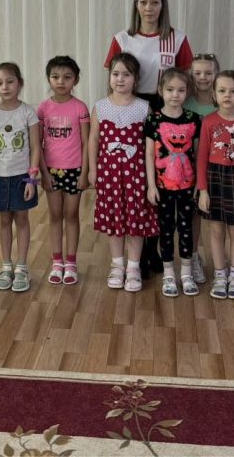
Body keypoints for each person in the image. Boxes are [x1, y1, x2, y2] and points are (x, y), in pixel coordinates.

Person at [105, 0, 193, 277]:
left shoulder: (177, 39)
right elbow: (114, 79)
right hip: (131, 107)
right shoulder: (122, 39)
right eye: (143, 1)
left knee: (159, 179)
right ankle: (135, 254)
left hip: (162, 109)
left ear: (163, 5)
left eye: (155, 2)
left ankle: (154, 249)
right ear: (136, 5)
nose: (149, 8)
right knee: (136, 179)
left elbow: (184, 81)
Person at [88, 53, 157, 293]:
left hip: (136, 174)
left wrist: (150, 179)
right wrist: (93, 169)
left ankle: (134, 267)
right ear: (109, 77)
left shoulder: (144, 107)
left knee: (136, 219)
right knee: (114, 218)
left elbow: (150, 146)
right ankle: (117, 265)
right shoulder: (100, 107)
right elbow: (93, 140)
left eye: (126, 74)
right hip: (108, 174)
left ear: (135, 79)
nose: (120, 79)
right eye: (115, 74)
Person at [197, 70, 234, 300]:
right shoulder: (208, 121)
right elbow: (201, 157)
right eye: (222, 91)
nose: (227, 95)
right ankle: (220, 275)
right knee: (216, 229)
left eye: (233, 91)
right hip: (214, 178)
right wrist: (203, 190)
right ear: (214, 94)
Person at [0, 62, 41, 293]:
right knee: (4, 221)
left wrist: (32, 178)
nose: (5, 87)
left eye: (10, 81)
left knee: (22, 220)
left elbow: (36, 147)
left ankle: (22, 266)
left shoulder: (28, 112)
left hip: (22, 177)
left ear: (20, 83)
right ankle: (6, 265)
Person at [145, 68, 203, 297]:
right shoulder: (153, 119)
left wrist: (199, 185)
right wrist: (151, 185)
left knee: (186, 228)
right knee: (166, 229)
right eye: (170, 90)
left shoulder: (193, 119)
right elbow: (149, 154)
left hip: (188, 187)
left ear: (187, 92)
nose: (175, 95)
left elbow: (198, 154)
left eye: (180, 90)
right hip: (162, 187)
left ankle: (186, 273)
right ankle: (169, 273)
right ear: (161, 90)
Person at [38, 56, 90, 286]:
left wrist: (85, 173)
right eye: (56, 77)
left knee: (71, 215)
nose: (61, 81)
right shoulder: (43, 108)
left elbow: (87, 143)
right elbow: (37, 143)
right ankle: (57, 261)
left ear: (75, 80)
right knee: (55, 215)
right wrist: (44, 173)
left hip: (75, 170)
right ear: (49, 79)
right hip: (51, 171)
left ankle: (71, 262)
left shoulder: (80, 107)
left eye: (67, 77)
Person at [184, 52, 220, 285]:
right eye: (197, 73)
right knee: (193, 215)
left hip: (218, 168)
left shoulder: (223, 101)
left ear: (216, 74)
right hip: (188, 167)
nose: (203, 77)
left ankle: (222, 265)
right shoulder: (185, 101)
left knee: (218, 220)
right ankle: (193, 256)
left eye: (208, 72)